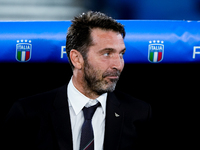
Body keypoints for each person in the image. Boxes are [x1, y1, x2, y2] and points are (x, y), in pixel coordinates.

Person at [3, 11, 152, 150]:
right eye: (107, 53)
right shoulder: (28, 114)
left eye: (121, 54)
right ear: (77, 59)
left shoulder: (139, 114)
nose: (118, 65)